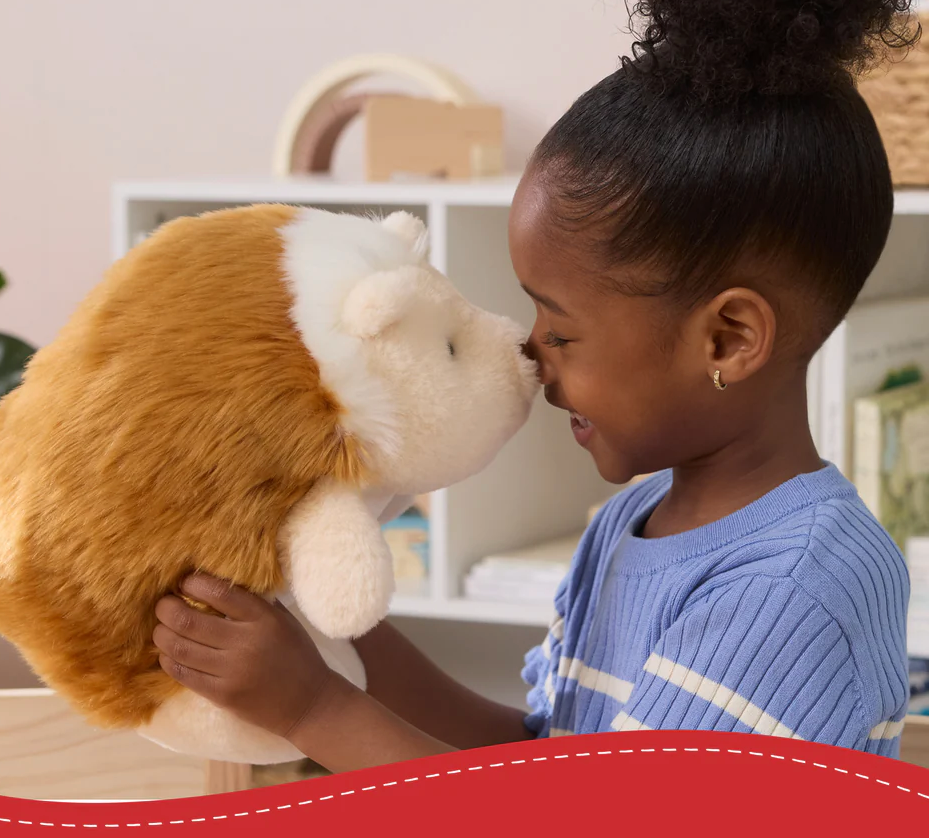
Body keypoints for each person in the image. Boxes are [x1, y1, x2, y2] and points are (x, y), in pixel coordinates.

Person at [151, 0, 919, 771]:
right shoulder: (632, 521)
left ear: (729, 339)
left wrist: (315, 707)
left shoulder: (792, 590)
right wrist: (337, 642)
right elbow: (540, 769)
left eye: (562, 328)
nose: (530, 348)